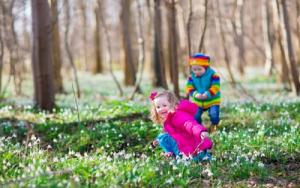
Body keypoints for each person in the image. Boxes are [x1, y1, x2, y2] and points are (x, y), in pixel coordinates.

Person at [149, 90, 213, 161]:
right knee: (163, 136)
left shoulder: (178, 116)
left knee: (163, 137)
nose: (161, 109)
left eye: (164, 105)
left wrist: (200, 132)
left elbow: (189, 124)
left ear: (172, 104)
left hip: (193, 150)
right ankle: (172, 154)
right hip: (186, 147)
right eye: (158, 107)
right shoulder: (169, 118)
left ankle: (181, 157)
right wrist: (157, 141)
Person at [185, 53, 221, 133]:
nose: (196, 71)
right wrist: (195, 94)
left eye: (199, 69)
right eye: (194, 69)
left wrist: (207, 94)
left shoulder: (213, 75)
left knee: (214, 114)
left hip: (212, 100)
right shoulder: (192, 77)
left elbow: (216, 86)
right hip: (198, 101)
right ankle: (200, 128)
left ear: (206, 67)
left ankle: (214, 125)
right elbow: (189, 87)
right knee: (195, 115)